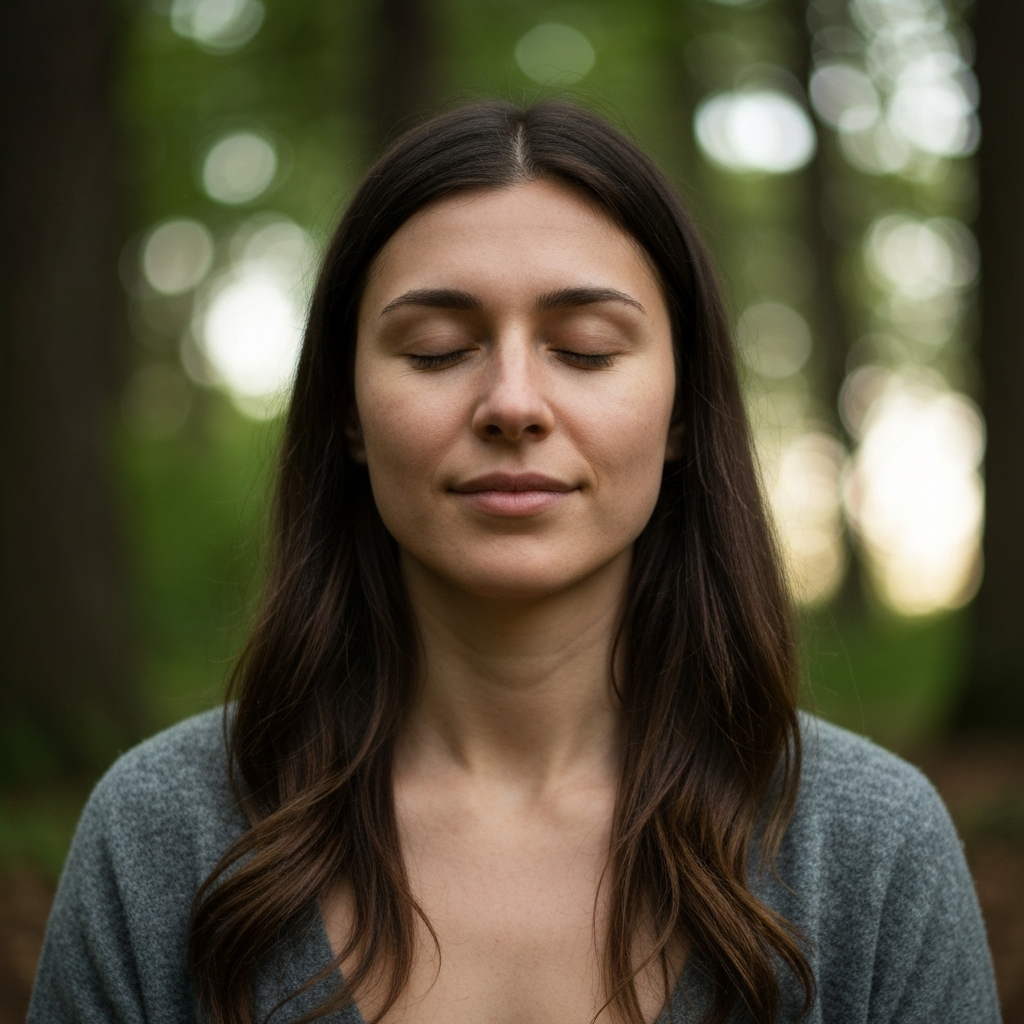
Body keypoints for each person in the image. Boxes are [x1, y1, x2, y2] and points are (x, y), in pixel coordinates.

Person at [28, 100, 999, 1024]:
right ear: (349, 416)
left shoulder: (869, 848)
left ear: (681, 411)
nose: (513, 402)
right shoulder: (160, 835)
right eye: (438, 349)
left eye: (583, 349)